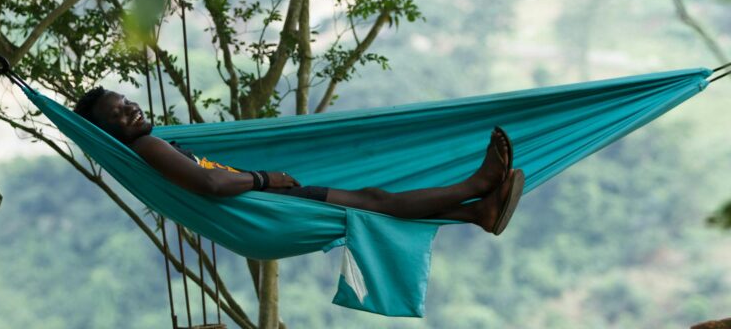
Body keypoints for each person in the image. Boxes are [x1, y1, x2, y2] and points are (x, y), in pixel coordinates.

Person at [73, 87, 525, 235]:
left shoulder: (145, 146)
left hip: (260, 207)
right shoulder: (148, 147)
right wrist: (264, 177)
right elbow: (209, 186)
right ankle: (477, 186)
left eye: (127, 101)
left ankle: (478, 212)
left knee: (370, 207)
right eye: (118, 114)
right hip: (264, 203)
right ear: (107, 131)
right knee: (375, 201)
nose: (131, 109)